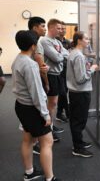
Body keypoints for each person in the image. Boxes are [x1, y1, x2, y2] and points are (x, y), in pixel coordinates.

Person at [12, 30, 61, 181]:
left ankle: (29, 172)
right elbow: (37, 93)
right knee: (47, 141)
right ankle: (50, 178)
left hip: (21, 105)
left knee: (28, 139)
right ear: (33, 46)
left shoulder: (18, 59)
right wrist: (45, 114)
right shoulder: (30, 64)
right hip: (32, 109)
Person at [66, 31, 98, 158]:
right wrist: (92, 69)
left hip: (76, 92)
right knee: (79, 120)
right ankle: (77, 148)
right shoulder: (78, 56)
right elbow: (81, 78)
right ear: (79, 40)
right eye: (86, 39)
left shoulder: (75, 53)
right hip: (80, 92)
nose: (88, 41)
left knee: (77, 119)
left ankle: (78, 143)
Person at [38, 18, 69, 142]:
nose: (61, 30)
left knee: (54, 103)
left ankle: (50, 125)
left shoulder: (57, 41)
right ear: (51, 28)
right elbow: (57, 58)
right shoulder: (45, 41)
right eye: (58, 28)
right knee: (51, 103)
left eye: (62, 28)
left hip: (58, 74)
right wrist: (61, 55)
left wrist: (61, 54)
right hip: (50, 75)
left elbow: (67, 54)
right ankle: (47, 129)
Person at [28, 16, 49, 154]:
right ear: (35, 27)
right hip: (37, 79)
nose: (45, 29)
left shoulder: (30, 40)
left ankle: (34, 140)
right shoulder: (37, 43)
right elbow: (42, 66)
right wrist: (46, 83)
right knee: (38, 109)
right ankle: (35, 142)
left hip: (31, 79)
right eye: (42, 26)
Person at [55, 21, 71, 123]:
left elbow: (70, 54)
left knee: (64, 92)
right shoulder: (54, 42)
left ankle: (59, 113)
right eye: (60, 29)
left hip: (67, 70)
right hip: (58, 71)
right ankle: (68, 112)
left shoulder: (67, 42)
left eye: (64, 29)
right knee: (62, 93)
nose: (63, 30)